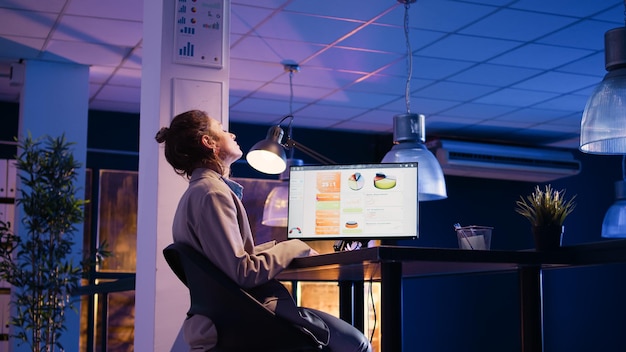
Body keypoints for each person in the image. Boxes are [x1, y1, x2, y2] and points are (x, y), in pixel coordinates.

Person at [155, 110, 372, 352]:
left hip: (228, 319)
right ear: (209, 143)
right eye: (223, 129)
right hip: (251, 319)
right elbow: (243, 272)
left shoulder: (197, 193)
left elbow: (225, 262)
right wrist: (295, 246)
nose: (232, 133)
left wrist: (278, 247)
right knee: (359, 344)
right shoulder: (213, 194)